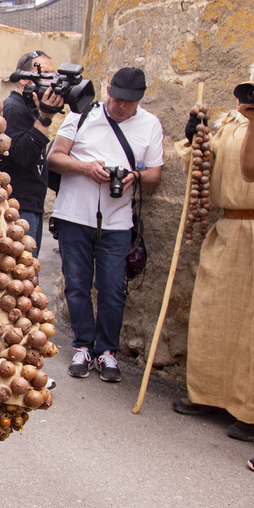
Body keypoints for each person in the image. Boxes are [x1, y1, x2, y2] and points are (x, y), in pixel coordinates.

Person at [47, 66, 163, 384]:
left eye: (130, 102)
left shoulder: (150, 125)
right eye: (117, 98)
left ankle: (107, 351)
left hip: (117, 221)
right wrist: (86, 168)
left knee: (113, 288)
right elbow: (55, 157)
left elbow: (154, 174)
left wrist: (133, 177)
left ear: (139, 99)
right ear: (108, 88)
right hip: (74, 215)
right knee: (77, 284)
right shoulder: (82, 114)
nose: (122, 106)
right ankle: (83, 346)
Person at [173, 88, 254, 447]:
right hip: (229, 229)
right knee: (214, 312)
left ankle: (250, 410)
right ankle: (208, 393)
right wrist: (195, 138)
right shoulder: (230, 123)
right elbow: (201, 167)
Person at [2, 50, 65, 255]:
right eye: (45, 74)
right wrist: (45, 118)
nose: (51, 81)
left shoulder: (31, 109)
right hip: (19, 206)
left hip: (31, 205)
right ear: (24, 79)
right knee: (23, 273)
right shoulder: (13, 109)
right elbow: (21, 156)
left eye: (53, 75)